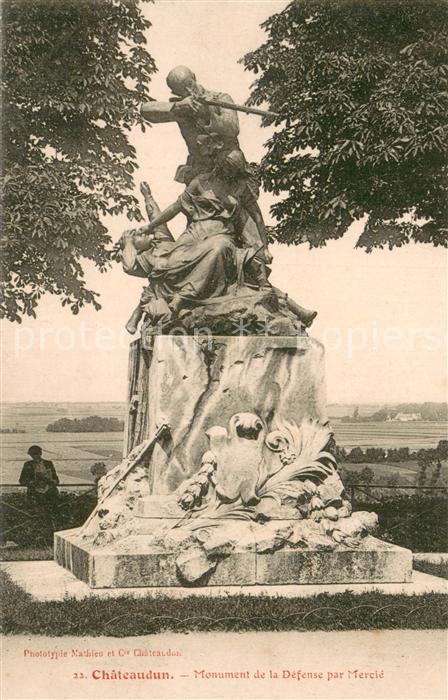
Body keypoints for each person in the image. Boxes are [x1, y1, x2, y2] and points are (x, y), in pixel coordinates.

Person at [120, 150, 273, 332]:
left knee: (218, 249)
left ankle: (182, 298)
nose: (227, 171)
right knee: (167, 263)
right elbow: (175, 208)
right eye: (225, 166)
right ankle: (151, 307)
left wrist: (265, 246)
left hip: (221, 233)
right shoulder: (200, 182)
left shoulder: (240, 188)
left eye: (232, 169)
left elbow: (257, 216)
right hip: (193, 234)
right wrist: (150, 225)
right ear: (219, 164)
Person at [141, 65, 240, 184]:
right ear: (175, 92)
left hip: (229, 165)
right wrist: (177, 107)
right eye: (182, 89)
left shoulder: (220, 98)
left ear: (194, 77)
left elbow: (233, 128)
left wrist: (207, 115)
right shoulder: (181, 108)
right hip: (200, 170)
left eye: (189, 83)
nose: (189, 90)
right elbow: (145, 110)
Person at [19, 445, 60, 512]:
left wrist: (51, 481)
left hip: (49, 493)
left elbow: (56, 479)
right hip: (35, 493)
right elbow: (22, 480)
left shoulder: (48, 463)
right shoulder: (28, 465)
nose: (34, 456)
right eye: (32, 455)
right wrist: (32, 482)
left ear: (40, 453)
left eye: (36, 454)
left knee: (52, 511)